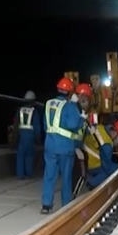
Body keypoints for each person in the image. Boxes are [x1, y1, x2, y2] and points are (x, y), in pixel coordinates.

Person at [41, 77, 84, 214]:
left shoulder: (48, 104)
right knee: (66, 176)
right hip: (65, 147)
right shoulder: (69, 106)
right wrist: (81, 118)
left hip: (50, 145)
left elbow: (45, 125)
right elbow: (73, 125)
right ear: (70, 92)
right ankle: (66, 205)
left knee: (49, 175)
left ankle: (46, 204)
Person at [81, 119, 118, 188]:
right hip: (91, 164)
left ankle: (89, 176)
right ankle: (92, 183)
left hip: (82, 158)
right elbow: (107, 167)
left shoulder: (100, 127)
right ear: (116, 133)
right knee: (114, 169)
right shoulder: (106, 144)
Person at [14, 90, 42, 180]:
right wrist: (38, 139)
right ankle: (28, 173)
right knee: (29, 155)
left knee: (20, 155)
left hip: (21, 135)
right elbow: (37, 127)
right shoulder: (34, 112)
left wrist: (15, 137)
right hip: (30, 136)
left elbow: (16, 124)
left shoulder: (19, 110)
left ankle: (20, 174)